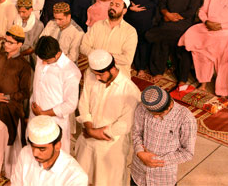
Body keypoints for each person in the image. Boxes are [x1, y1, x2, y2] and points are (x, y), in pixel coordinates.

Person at [75, 50, 141, 186]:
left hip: (111, 145)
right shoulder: (91, 78)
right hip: (88, 141)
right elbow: (83, 103)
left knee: (108, 182)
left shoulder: (129, 90)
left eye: (100, 74)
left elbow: (125, 124)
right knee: (82, 179)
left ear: (113, 67)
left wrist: (96, 133)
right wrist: (89, 127)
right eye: (95, 74)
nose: (97, 78)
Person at [146, 0, 203, 91]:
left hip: (184, 24)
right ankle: (158, 71)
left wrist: (174, 17)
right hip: (168, 21)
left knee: (180, 45)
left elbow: (191, 11)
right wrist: (167, 14)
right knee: (160, 40)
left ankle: (182, 79)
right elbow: (162, 4)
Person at [130, 86, 197, 186]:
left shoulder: (186, 118)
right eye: (151, 113)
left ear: (170, 105)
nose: (155, 117)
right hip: (138, 174)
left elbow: (187, 153)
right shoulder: (142, 107)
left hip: (163, 179)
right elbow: (136, 133)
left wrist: (155, 160)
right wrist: (140, 153)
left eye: (159, 114)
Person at [31, 36, 81, 156]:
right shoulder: (42, 57)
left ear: (57, 54)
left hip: (55, 122)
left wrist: (44, 113)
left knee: (55, 158)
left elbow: (70, 105)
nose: (42, 62)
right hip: (35, 117)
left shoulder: (70, 72)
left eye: (47, 61)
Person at [10, 115, 88, 186]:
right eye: (33, 146)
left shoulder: (75, 177)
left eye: (42, 149)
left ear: (57, 146)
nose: (35, 153)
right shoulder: (25, 153)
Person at [80, 0, 138, 77]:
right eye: (111, 4)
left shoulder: (130, 32)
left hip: (117, 76)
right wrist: (99, 55)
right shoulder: (97, 25)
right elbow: (83, 47)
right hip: (95, 72)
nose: (112, 7)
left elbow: (127, 59)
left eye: (117, 5)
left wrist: (105, 57)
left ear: (124, 11)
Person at [125, 0, 163, 76]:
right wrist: (131, 7)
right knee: (130, 40)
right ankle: (130, 63)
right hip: (132, 13)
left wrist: (141, 8)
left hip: (146, 16)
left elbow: (155, 1)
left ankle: (141, 67)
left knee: (142, 42)